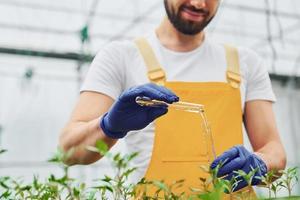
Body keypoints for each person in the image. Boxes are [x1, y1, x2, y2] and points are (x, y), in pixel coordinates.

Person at [59, 0, 286, 196]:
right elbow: (68, 150)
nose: (198, 4)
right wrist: (109, 126)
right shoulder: (121, 57)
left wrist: (260, 163)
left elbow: (274, 149)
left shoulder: (245, 62)